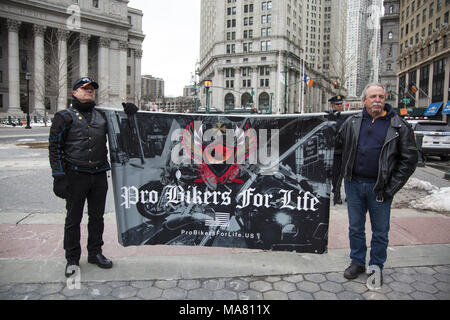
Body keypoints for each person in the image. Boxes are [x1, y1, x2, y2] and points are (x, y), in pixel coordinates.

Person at [49, 77, 138, 278]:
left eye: (92, 89)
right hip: (75, 175)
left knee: (97, 218)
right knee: (73, 219)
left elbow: (123, 135)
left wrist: (130, 115)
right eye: (85, 88)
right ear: (74, 93)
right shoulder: (64, 116)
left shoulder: (102, 116)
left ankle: (95, 252)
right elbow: (54, 148)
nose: (89, 91)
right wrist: (59, 177)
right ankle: (72, 259)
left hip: (98, 175)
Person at [336, 83, 418, 285]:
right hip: (353, 185)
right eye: (373, 96)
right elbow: (337, 146)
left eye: (381, 96)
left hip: (380, 188)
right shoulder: (352, 122)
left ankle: (376, 267)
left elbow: (409, 160)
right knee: (355, 228)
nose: (378, 100)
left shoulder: (398, 125)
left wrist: (391, 187)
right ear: (364, 101)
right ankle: (357, 262)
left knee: (380, 232)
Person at [328, 95, 345, 205]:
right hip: (332, 151)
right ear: (332, 105)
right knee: (335, 174)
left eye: (341, 104)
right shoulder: (328, 117)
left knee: (343, 174)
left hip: (343, 150)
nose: (340, 106)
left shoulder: (345, 117)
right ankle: (336, 193)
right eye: (337, 104)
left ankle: (338, 193)